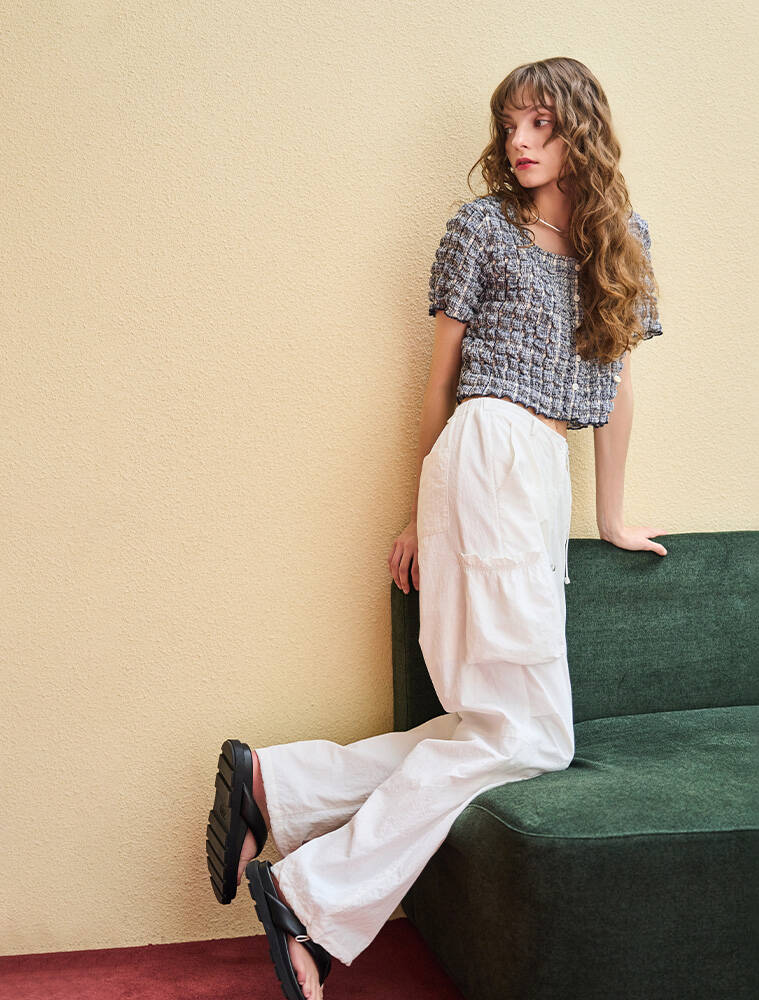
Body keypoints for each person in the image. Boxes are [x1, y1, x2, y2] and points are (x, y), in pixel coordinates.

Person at [204, 56, 668, 1000]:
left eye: (540, 124)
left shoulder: (625, 238)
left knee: (492, 725)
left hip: (537, 477)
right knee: (529, 738)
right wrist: (421, 510)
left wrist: (610, 514)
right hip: (485, 453)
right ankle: (309, 896)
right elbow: (440, 384)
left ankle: (276, 788)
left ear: (581, 130)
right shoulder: (481, 227)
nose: (520, 142)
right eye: (510, 125)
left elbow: (616, 387)